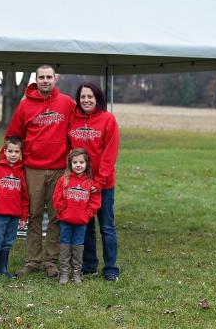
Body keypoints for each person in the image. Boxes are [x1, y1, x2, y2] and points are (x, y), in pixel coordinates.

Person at [3, 65, 76, 278]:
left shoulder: (66, 103)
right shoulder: (25, 106)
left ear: (56, 79)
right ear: (35, 80)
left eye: (49, 77)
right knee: (33, 214)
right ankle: (33, 260)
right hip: (33, 168)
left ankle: (51, 261)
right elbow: (13, 135)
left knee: (56, 216)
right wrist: (3, 162)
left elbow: (75, 132)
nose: (45, 80)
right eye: (41, 77)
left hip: (59, 169)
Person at [68, 82, 120, 281]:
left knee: (106, 226)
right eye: (82, 97)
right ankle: (89, 265)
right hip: (81, 184)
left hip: (103, 185)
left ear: (97, 98)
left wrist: (99, 182)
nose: (86, 100)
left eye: (90, 96)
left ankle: (111, 268)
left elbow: (110, 154)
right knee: (86, 226)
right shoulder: (73, 120)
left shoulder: (108, 120)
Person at [53, 148, 101, 285]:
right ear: (70, 164)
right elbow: (57, 197)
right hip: (66, 220)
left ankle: (76, 272)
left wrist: (87, 215)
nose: (78, 165)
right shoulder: (64, 180)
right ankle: (64, 272)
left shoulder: (89, 183)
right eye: (75, 162)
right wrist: (63, 210)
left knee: (78, 245)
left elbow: (95, 202)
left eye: (81, 162)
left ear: (86, 164)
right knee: (65, 244)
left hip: (81, 222)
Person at [0, 137, 29, 279]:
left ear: (21, 153)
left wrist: (24, 216)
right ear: (5, 151)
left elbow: (25, 196)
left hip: (15, 215)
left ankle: (3, 268)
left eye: (16, 151)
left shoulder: (22, 171)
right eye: (10, 151)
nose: (13, 154)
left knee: (8, 241)